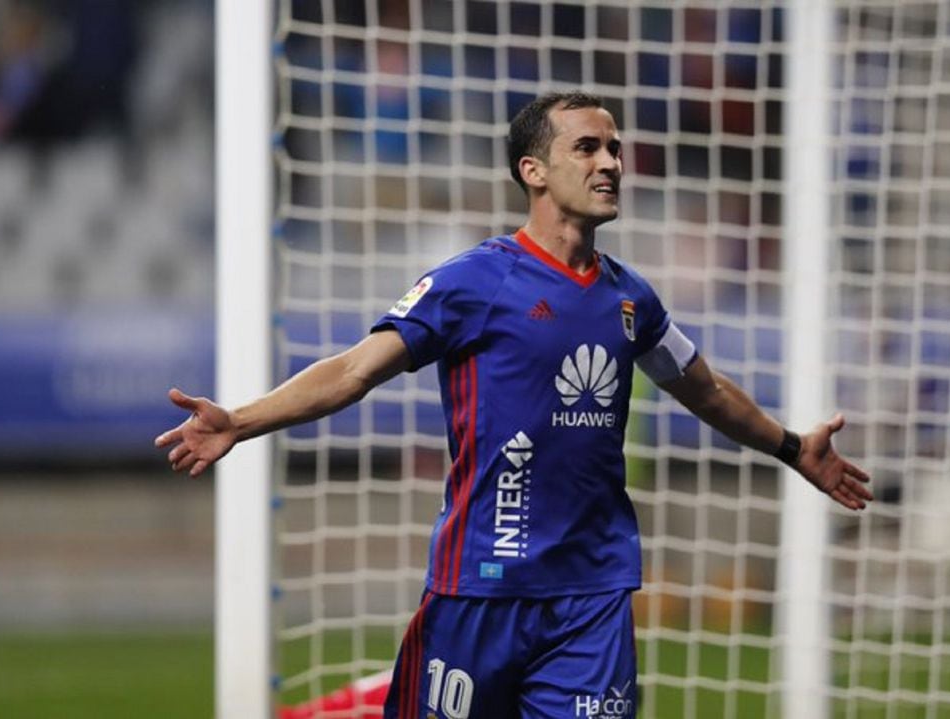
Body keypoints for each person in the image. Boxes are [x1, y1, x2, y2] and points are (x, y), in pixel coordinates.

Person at [155, 91, 872, 719]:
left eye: (616, 147)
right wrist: (241, 421)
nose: (611, 162)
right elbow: (354, 370)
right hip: (480, 589)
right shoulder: (476, 281)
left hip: (591, 595)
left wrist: (789, 445)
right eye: (587, 146)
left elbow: (705, 389)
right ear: (533, 170)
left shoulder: (632, 300)